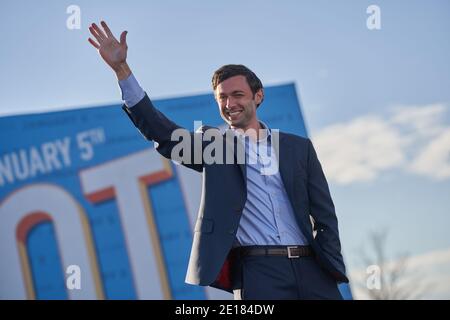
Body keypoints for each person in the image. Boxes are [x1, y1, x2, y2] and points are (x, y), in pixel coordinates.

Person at [88, 21, 348, 300]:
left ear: (258, 96)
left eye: (237, 95)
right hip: (259, 272)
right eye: (222, 98)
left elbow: (325, 215)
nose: (229, 104)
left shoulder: (298, 148)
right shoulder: (215, 146)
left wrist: (328, 260)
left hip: (313, 269)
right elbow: (162, 133)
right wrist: (122, 71)